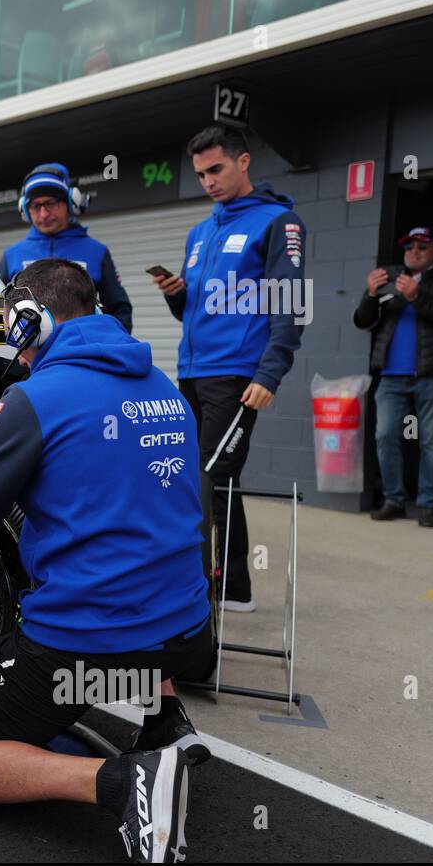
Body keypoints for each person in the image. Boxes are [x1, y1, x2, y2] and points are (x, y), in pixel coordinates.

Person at [0, 259, 211, 863]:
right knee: (140, 569)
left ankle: (124, 782)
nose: (15, 352)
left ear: (33, 321)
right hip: (189, 633)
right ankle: (168, 722)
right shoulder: (166, 389)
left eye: (15, 333)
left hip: (86, 644)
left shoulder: (34, 398)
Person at [152, 123, 306, 613]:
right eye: (200, 174)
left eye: (216, 169)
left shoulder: (279, 222)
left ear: (243, 161)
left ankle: (200, 593)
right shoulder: (202, 231)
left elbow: (291, 306)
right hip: (193, 371)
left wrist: (270, 374)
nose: (209, 181)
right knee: (202, 479)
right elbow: (197, 311)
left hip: (239, 374)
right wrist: (179, 298)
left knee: (210, 478)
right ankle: (232, 586)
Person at [356, 227, 433, 528]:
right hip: (391, 375)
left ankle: (429, 505)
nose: (414, 251)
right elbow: (364, 321)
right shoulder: (388, 278)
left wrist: (417, 297)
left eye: (422, 246)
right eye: (409, 246)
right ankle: (394, 500)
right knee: (386, 436)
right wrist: (371, 293)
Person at [0, 162, 132, 332]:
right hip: (27, 356)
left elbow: (119, 310)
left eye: (51, 203)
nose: (44, 214)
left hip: (83, 356)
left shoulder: (96, 252)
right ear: (24, 208)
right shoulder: (12, 256)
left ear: (70, 202)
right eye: (36, 206)